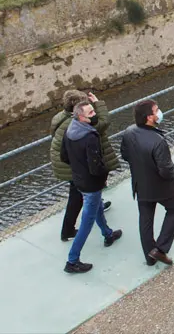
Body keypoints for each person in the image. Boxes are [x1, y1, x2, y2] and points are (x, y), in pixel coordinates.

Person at [61, 101, 122, 274]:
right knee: (87, 222)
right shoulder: (90, 137)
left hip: (78, 180)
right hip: (91, 184)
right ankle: (72, 261)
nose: (94, 114)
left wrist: (78, 168)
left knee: (96, 209)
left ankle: (108, 234)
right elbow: (96, 167)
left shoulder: (70, 131)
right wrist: (104, 176)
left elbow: (64, 156)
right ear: (81, 116)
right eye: (90, 113)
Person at [49, 90, 118, 242]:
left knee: (88, 191)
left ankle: (98, 208)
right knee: (77, 197)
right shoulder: (79, 124)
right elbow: (103, 123)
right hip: (70, 163)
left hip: (64, 159)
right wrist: (98, 104)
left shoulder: (60, 117)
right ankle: (67, 231)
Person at [120, 100, 174, 267]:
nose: (159, 112)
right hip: (161, 187)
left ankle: (150, 257)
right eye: (157, 110)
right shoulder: (157, 141)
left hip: (141, 185)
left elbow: (125, 155)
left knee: (145, 219)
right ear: (149, 117)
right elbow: (166, 170)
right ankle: (160, 248)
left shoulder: (129, 132)